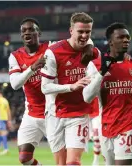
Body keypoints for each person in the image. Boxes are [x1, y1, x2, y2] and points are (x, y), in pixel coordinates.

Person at [8, 17, 95, 165]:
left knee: (66, 161)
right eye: (24, 31)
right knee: (24, 157)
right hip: (32, 114)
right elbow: (15, 84)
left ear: (39, 33)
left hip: (54, 111)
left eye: (32, 29)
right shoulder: (16, 56)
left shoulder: (51, 48)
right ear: (21, 35)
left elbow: (74, 39)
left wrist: (89, 46)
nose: (27, 33)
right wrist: (32, 68)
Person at [82, 22, 132, 165]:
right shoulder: (96, 65)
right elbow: (87, 97)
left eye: (127, 37)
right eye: (121, 37)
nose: (126, 40)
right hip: (106, 126)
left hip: (128, 125)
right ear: (110, 42)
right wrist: (101, 73)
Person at [40, 12, 100, 165]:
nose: (85, 36)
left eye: (88, 32)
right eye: (81, 31)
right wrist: (71, 87)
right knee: (60, 164)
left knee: (73, 162)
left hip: (79, 113)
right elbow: (45, 88)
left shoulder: (94, 53)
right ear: (71, 30)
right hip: (55, 112)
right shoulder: (53, 52)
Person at [89, 98, 102, 166]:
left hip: (105, 113)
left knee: (105, 140)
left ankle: (97, 161)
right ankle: (96, 160)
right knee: (96, 138)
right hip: (94, 115)